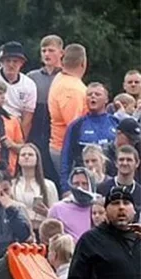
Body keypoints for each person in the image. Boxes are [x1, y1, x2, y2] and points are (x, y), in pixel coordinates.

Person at [48, 44, 89, 179]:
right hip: (67, 150)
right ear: (83, 63)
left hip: (61, 146)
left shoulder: (60, 77)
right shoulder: (73, 89)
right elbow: (74, 125)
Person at [27, 35, 64, 181]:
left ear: (61, 53)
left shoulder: (65, 76)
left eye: (51, 50)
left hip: (57, 127)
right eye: (44, 51)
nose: (47, 54)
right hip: (36, 126)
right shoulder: (32, 77)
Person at [12, 143, 59, 233]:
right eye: (23, 155)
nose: (26, 157)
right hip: (19, 231)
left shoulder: (49, 185)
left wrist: (47, 212)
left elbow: (56, 214)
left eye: (30, 154)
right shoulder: (12, 185)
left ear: (37, 159)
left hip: (42, 230)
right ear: (18, 160)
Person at [49, 168, 98, 241]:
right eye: (76, 184)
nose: (80, 187)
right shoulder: (57, 209)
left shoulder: (99, 207)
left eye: (84, 184)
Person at [97, 145, 141, 214]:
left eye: (129, 160)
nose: (124, 163)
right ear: (116, 163)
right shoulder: (102, 189)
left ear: (137, 163)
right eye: (121, 159)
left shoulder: (139, 192)